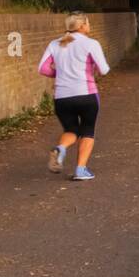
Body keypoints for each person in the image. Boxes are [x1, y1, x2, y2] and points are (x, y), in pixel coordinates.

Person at [37, 12, 110, 181]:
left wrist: (60, 73)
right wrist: (93, 69)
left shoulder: (55, 44)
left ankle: (61, 148)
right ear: (83, 26)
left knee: (71, 130)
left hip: (62, 97)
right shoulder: (91, 44)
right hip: (86, 95)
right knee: (88, 131)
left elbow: (42, 68)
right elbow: (104, 69)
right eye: (88, 23)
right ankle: (80, 170)